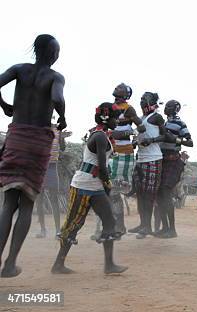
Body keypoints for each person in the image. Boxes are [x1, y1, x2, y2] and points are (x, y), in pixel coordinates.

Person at [0, 34, 67, 278]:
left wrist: (4, 105)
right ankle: (10, 264)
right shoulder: (55, 77)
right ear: (52, 54)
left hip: (16, 137)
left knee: (9, 203)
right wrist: (63, 116)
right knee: (26, 204)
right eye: (56, 52)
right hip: (38, 141)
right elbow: (57, 98)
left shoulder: (19, 70)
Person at [51, 102, 127, 275]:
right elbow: (101, 166)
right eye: (116, 118)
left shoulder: (102, 135)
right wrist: (108, 186)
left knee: (109, 221)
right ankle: (58, 264)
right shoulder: (100, 136)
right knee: (73, 225)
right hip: (83, 186)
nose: (119, 121)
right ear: (107, 118)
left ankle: (109, 265)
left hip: (94, 186)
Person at [107, 83, 144, 236]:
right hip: (110, 151)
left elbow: (141, 128)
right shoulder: (109, 107)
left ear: (126, 94)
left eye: (120, 90)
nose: (117, 90)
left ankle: (119, 226)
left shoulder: (129, 109)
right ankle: (116, 226)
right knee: (110, 191)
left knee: (114, 191)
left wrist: (125, 133)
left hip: (124, 153)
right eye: (116, 89)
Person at [133, 92, 169, 239]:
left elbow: (165, 135)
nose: (142, 101)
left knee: (148, 195)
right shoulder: (141, 119)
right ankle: (143, 224)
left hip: (153, 158)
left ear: (153, 101)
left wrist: (152, 140)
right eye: (141, 99)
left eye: (144, 99)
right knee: (140, 194)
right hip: (141, 159)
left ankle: (147, 227)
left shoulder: (156, 117)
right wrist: (136, 142)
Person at [154, 100, 192, 238]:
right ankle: (165, 228)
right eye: (166, 106)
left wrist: (174, 139)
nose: (166, 108)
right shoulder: (163, 123)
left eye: (169, 106)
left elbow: (190, 142)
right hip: (162, 161)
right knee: (159, 194)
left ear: (176, 109)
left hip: (173, 162)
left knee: (165, 192)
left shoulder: (180, 124)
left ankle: (172, 230)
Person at [35, 120, 69, 239]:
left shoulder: (57, 131)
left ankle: (57, 231)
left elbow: (63, 148)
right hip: (40, 168)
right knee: (39, 199)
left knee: (54, 199)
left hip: (52, 168)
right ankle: (43, 229)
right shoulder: (39, 130)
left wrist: (62, 138)